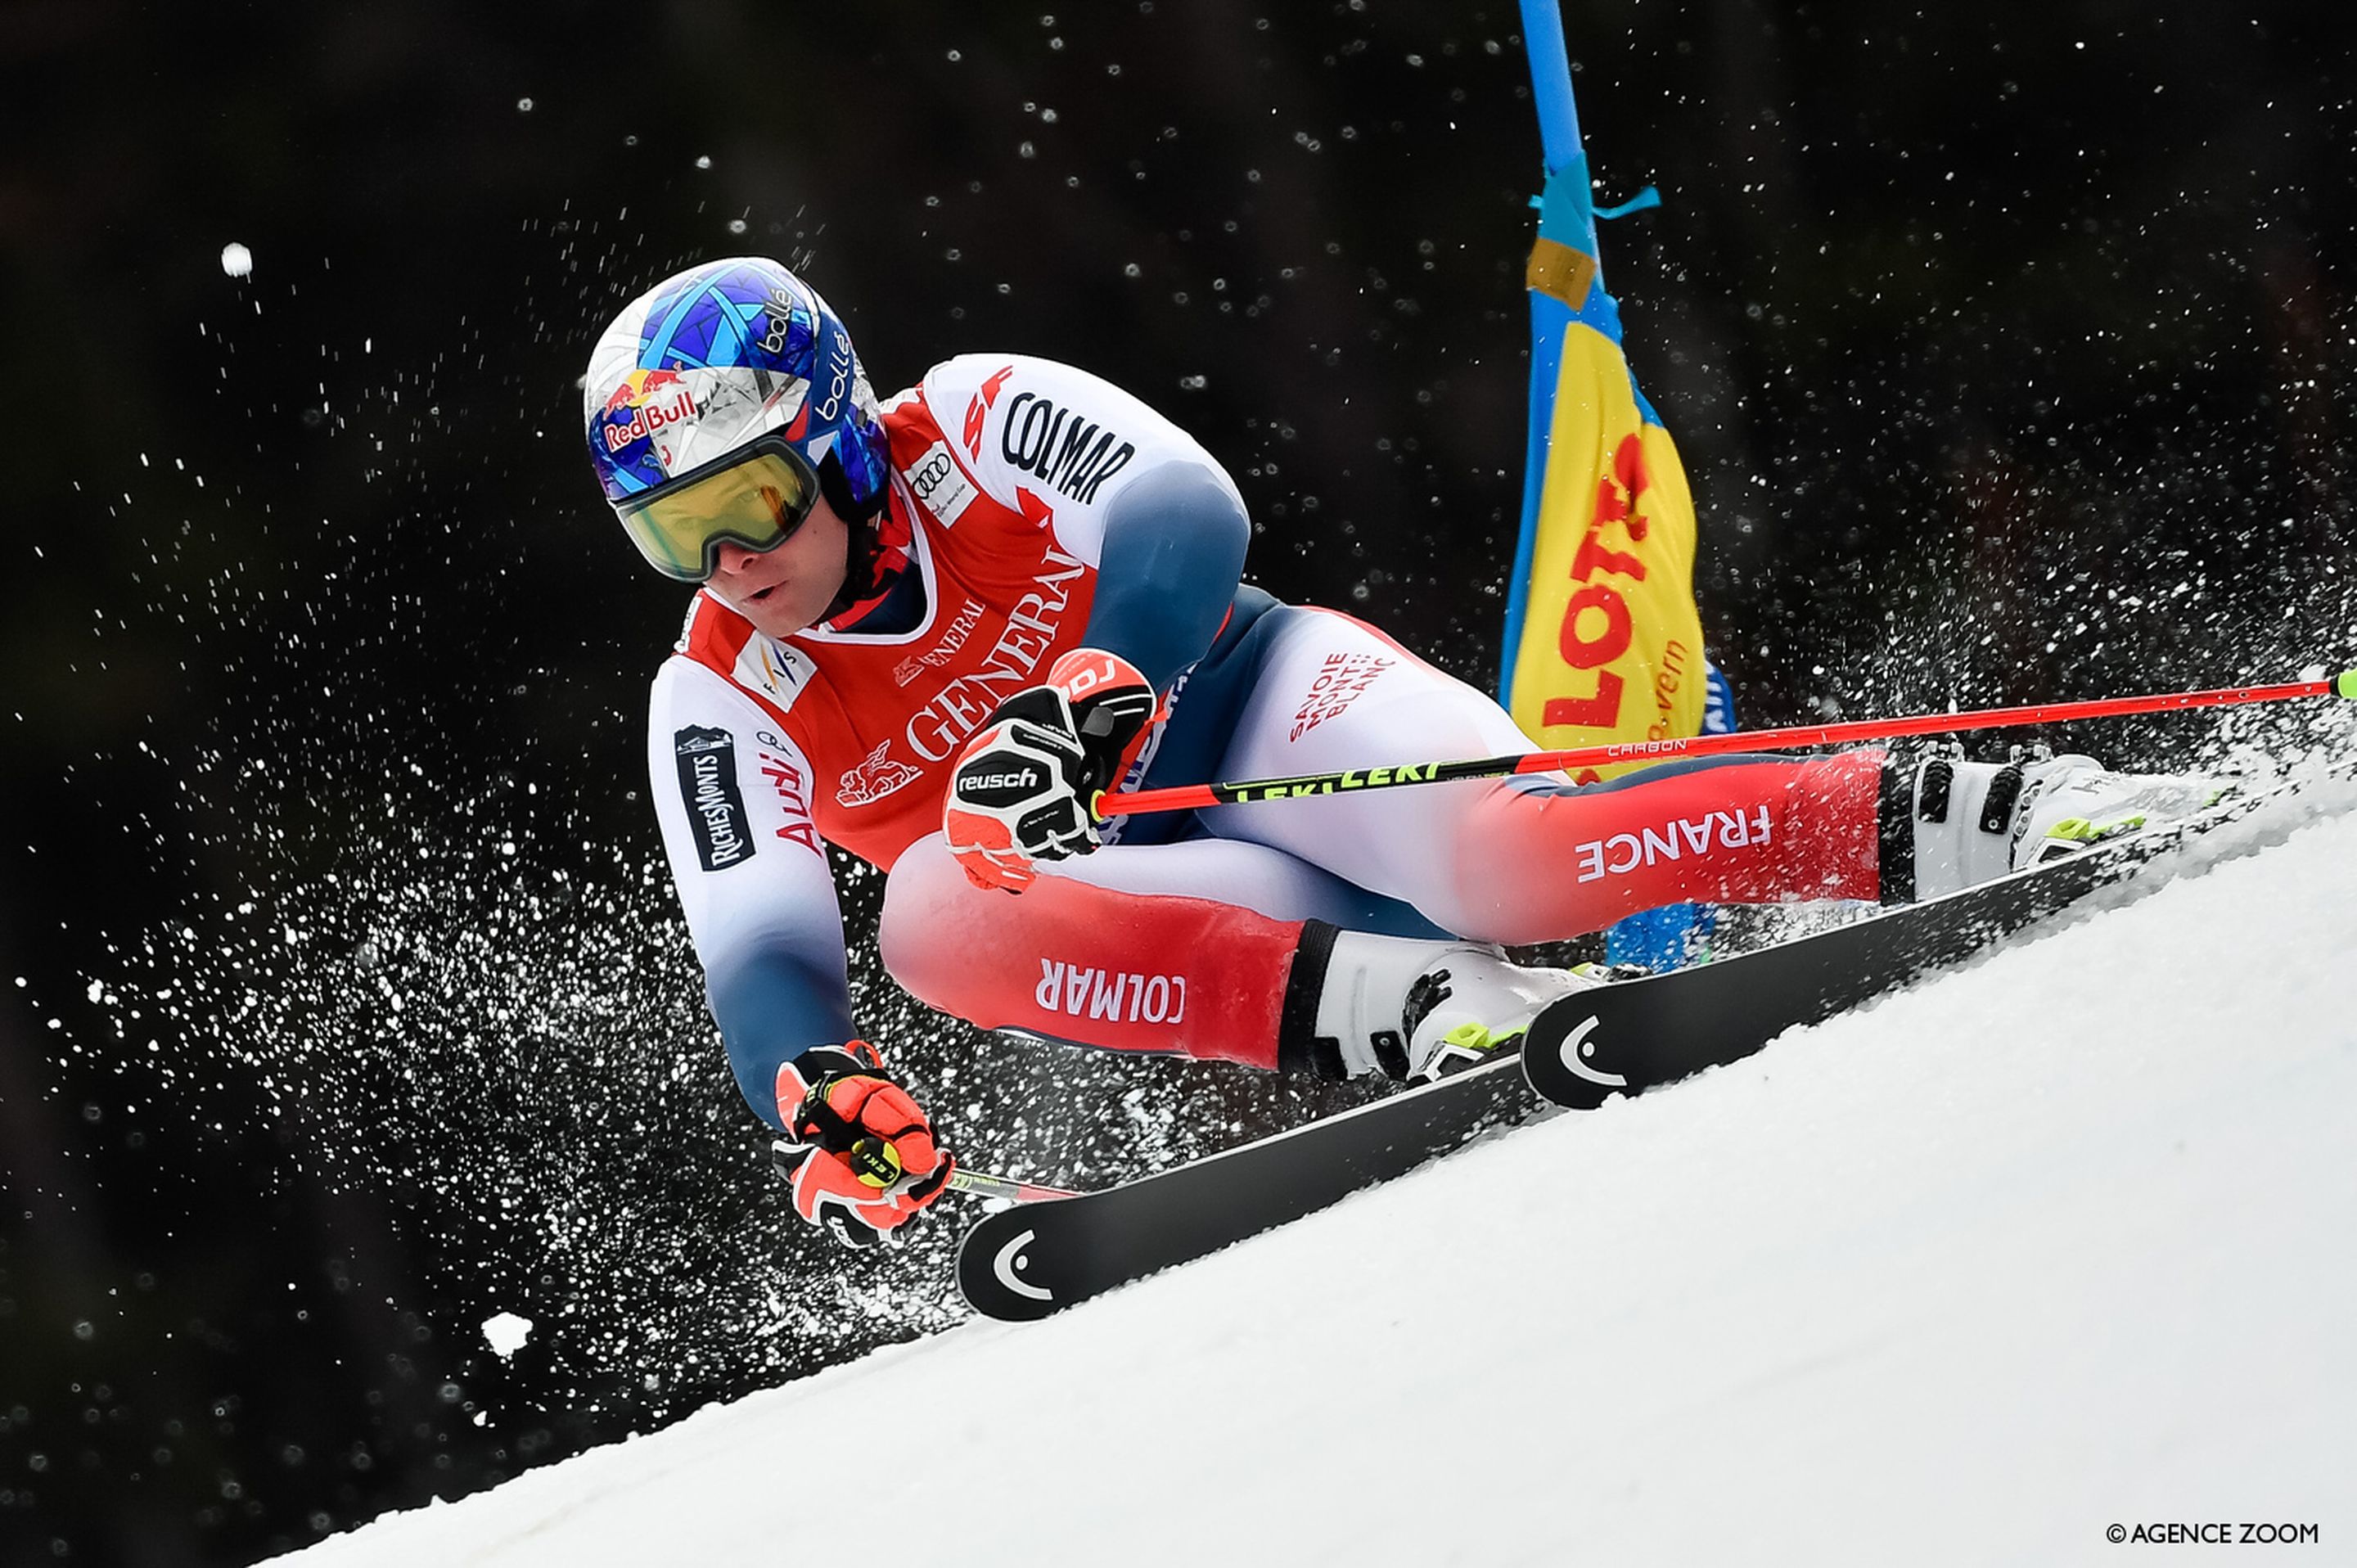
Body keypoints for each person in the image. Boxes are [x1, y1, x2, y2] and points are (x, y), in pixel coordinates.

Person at [584, 255, 2217, 1247]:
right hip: (1175, 884)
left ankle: (1992, 809)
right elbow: (764, 940)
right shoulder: (717, 693)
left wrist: (1085, 697)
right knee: (935, 914)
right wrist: (814, 1083)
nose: (730, 564)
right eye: (675, 539)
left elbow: (1181, 510)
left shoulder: (975, 415)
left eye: (751, 504)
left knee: (1521, 856)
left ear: (844, 439)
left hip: (1278, 707)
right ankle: (1435, 1012)